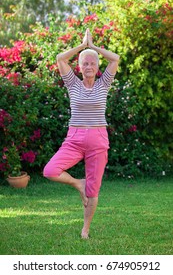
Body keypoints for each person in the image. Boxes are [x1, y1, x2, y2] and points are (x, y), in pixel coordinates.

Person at [43, 28, 120, 239]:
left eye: (92, 63)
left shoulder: (104, 84)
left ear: (97, 68)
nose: (88, 66)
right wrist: (82, 46)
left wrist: (93, 47)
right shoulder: (72, 83)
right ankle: (79, 183)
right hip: (74, 139)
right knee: (50, 170)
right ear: (79, 67)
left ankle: (85, 229)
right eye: (84, 63)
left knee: (93, 190)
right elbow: (60, 58)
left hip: (98, 139)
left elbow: (115, 58)